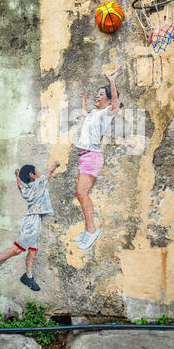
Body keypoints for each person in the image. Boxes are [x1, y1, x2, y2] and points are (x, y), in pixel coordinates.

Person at [0, 161, 60, 298]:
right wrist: (55, 165)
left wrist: (17, 176)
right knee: (17, 249)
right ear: (32, 175)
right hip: (32, 222)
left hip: (35, 220)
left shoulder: (27, 189)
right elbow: (49, 172)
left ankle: (28, 276)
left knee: (32, 252)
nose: (38, 172)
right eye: (36, 171)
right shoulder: (40, 182)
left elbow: (20, 185)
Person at [74, 66, 124, 251]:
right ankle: (88, 231)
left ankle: (92, 231)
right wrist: (83, 100)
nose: (97, 96)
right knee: (80, 194)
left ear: (109, 99)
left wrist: (112, 81)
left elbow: (116, 106)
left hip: (91, 156)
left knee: (82, 194)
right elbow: (85, 114)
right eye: (97, 93)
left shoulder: (106, 112)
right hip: (83, 156)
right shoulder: (95, 113)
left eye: (101, 94)